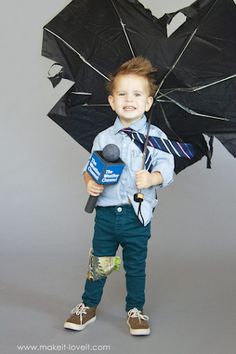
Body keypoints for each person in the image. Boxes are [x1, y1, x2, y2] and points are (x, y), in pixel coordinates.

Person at [64, 57, 174, 336]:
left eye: (137, 94)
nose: (129, 100)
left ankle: (135, 309)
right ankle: (88, 305)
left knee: (135, 265)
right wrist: (89, 183)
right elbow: (89, 169)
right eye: (122, 94)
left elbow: (167, 168)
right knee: (100, 261)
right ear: (112, 101)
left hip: (137, 215)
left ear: (148, 102)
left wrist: (152, 178)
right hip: (106, 213)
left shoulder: (156, 137)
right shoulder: (103, 138)